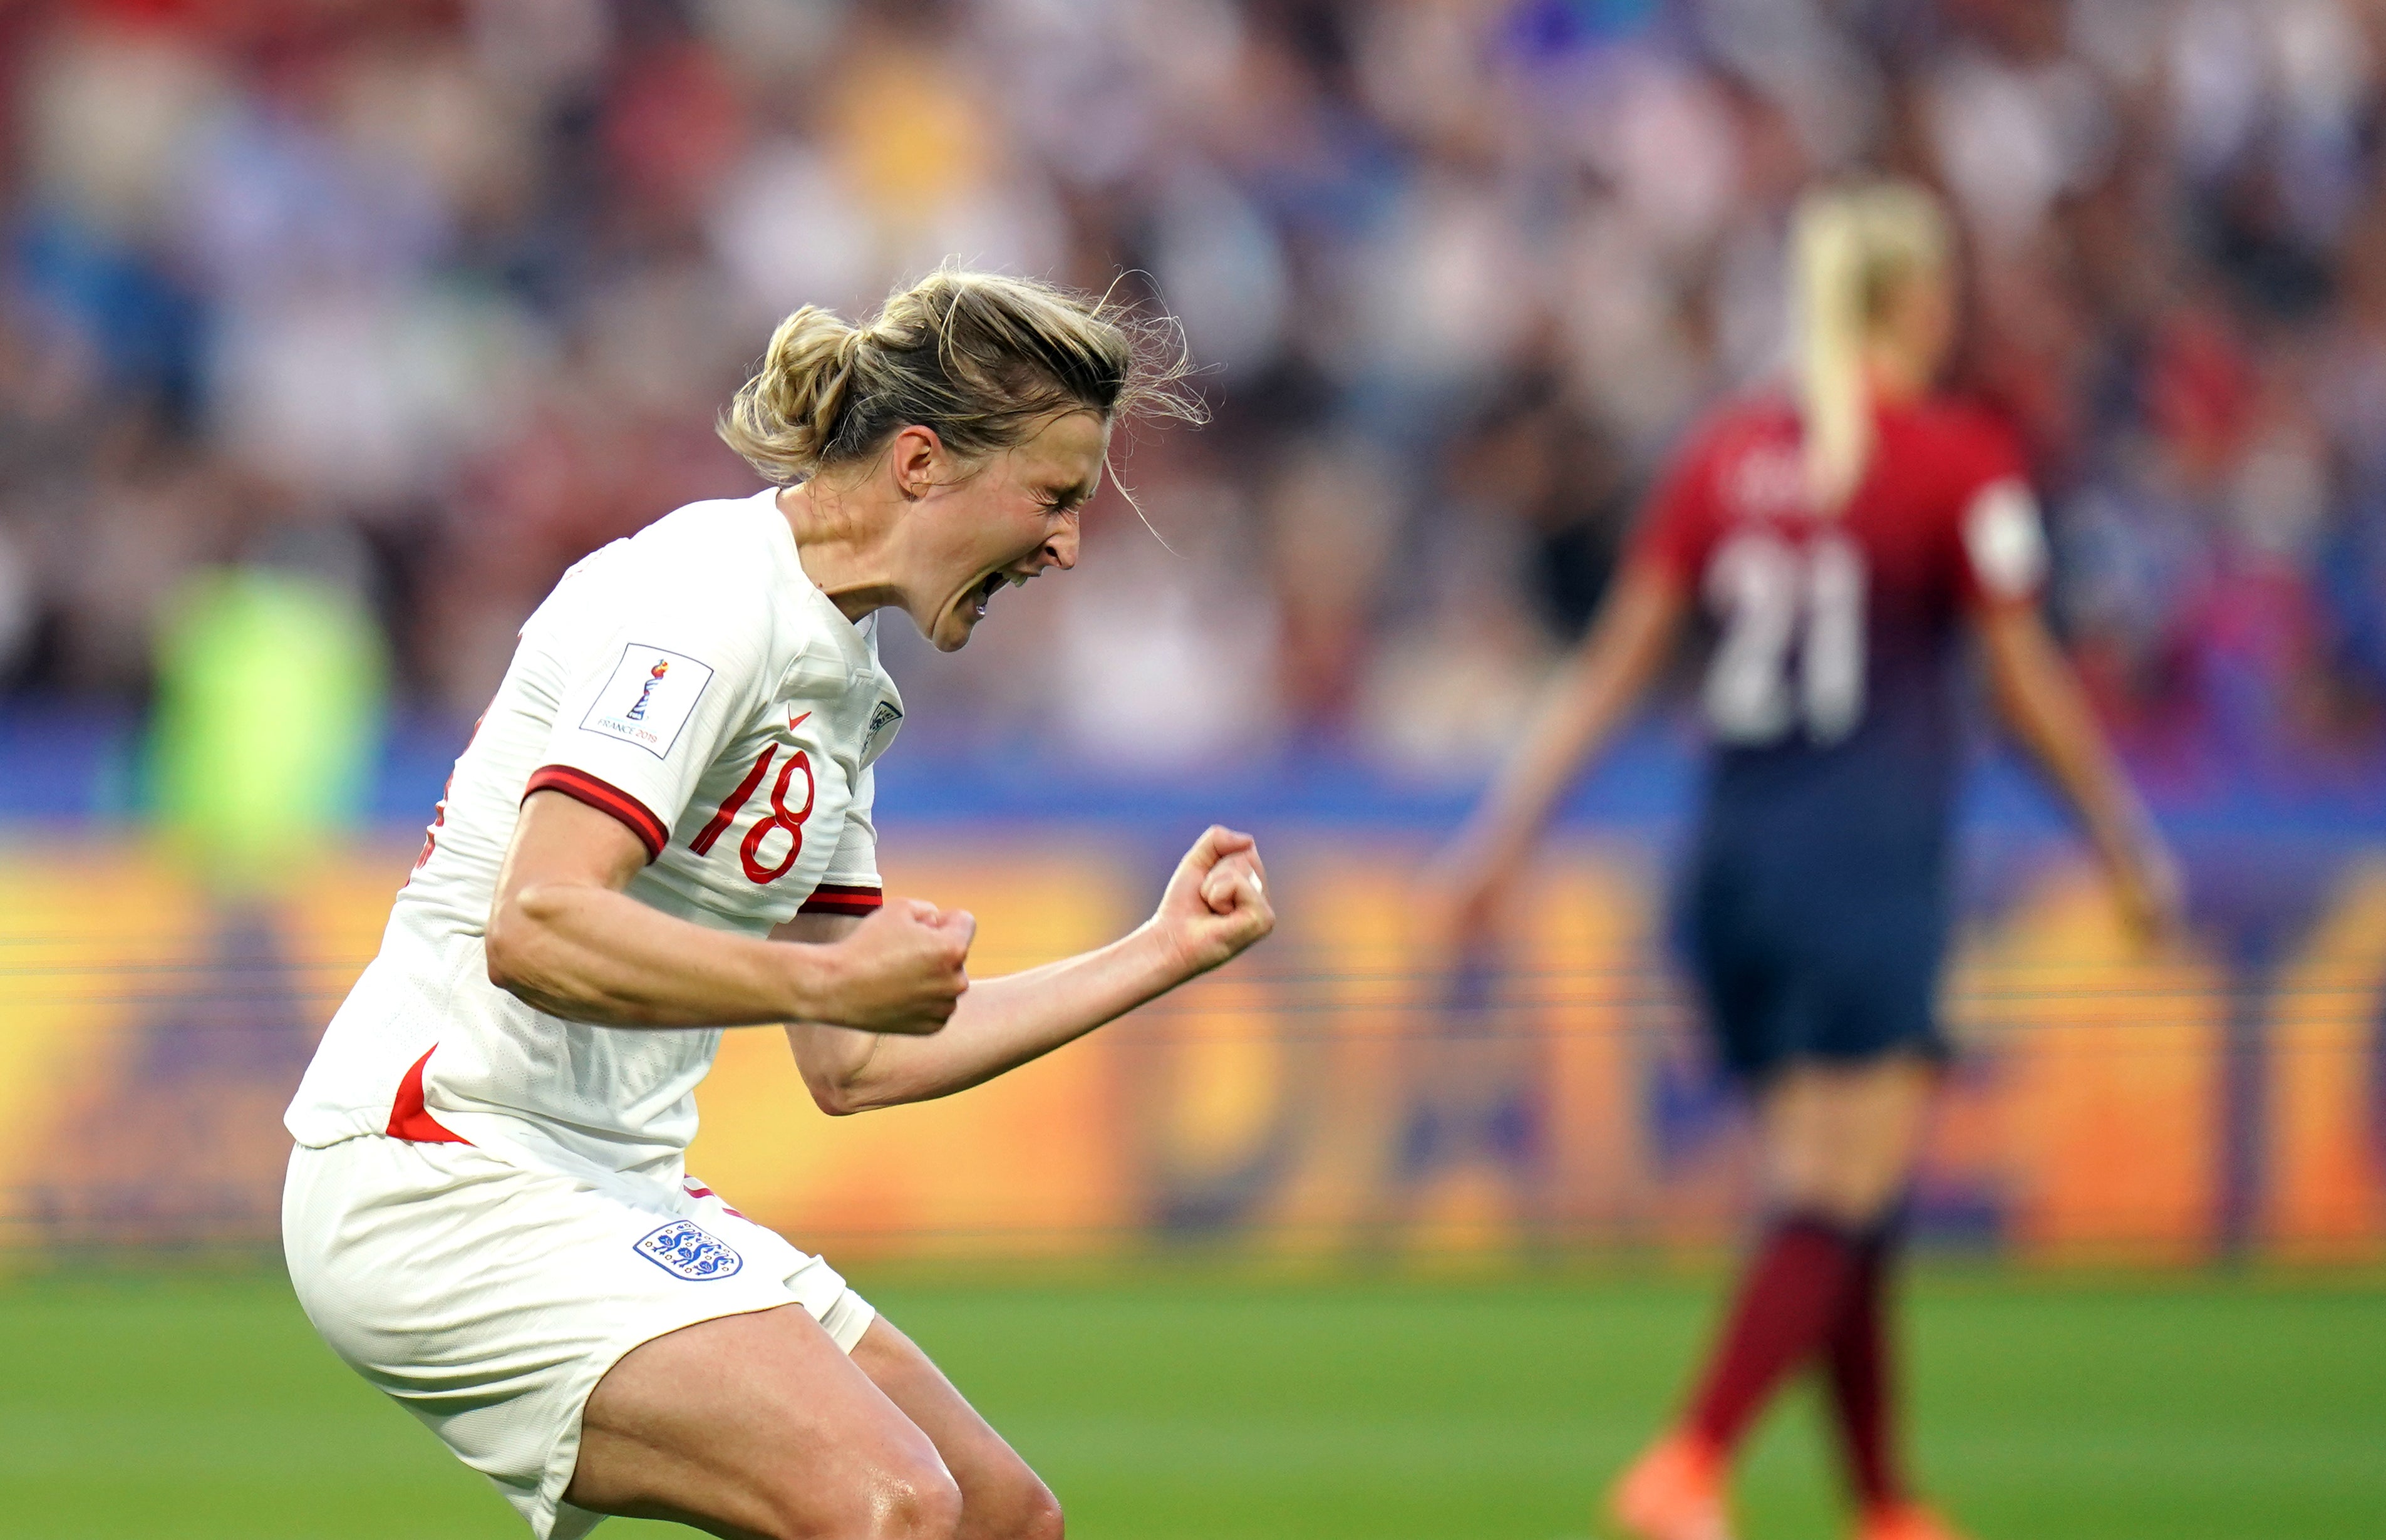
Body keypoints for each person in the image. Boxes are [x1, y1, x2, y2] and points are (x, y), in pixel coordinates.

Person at [281, 269, 1275, 1540]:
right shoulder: (704, 601)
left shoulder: (842, 677)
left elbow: (856, 1059)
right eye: (1057, 496)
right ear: (923, 463)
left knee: (995, 1516)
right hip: (439, 1162)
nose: (1068, 544)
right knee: (889, 1505)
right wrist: (824, 980)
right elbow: (537, 925)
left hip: (609, 1180)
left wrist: (1159, 951)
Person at [1434, 183, 2182, 1540]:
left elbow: (1613, 669)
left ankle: (1886, 1501)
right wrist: (2124, 842)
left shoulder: (1720, 457)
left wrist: (1501, 842)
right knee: (1839, 1188)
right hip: (1868, 863)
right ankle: (1691, 1460)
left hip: (1731, 868)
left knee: (1846, 1189)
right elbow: (2024, 688)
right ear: (1911, 301)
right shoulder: (1958, 462)